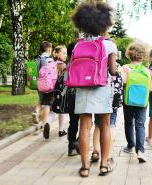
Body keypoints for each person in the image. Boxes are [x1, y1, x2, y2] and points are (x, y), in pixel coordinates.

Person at [71, 2, 117, 177]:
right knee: (104, 125)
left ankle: (84, 167)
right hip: (101, 87)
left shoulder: (78, 45)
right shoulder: (108, 44)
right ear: (104, 24)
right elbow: (112, 71)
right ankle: (104, 165)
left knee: (84, 127)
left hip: (82, 88)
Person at [122, 42, 152, 163]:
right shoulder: (147, 71)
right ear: (143, 56)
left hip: (128, 101)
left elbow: (123, 82)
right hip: (142, 103)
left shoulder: (125, 68)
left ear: (129, 54)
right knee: (140, 124)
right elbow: (151, 88)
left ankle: (130, 145)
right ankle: (140, 150)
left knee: (128, 123)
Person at [91, 60, 124, 163]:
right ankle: (108, 155)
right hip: (112, 101)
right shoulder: (118, 66)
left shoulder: (97, 63)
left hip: (98, 99)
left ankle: (95, 151)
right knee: (110, 126)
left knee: (97, 125)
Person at [31, 41, 56, 139]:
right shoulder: (49, 59)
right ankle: (45, 124)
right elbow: (52, 72)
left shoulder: (37, 59)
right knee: (47, 104)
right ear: (49, 49)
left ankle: (36, 112)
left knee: (41, 100)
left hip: (38, 83)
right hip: (47, 84)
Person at [52, 45, 68, 137]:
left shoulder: (50, 63)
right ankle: (61, 130)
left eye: (66, 53)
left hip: (49, 89)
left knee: (52, 110)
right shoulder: (62, 65)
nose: (65, 55)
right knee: (61, 110)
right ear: (57, 54)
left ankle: (46, 122)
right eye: (64, 53)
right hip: (58, 90)